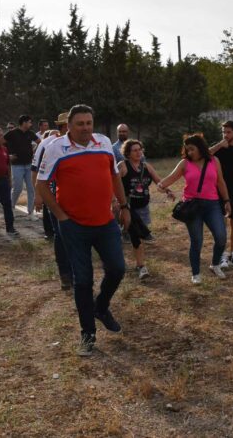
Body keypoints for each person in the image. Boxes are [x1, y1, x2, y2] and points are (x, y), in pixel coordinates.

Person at [36, 105, 131, 357]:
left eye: (89, 122)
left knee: (118, 268)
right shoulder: (55, 148)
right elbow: (41, 184)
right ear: (69, 125)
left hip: (105, 222)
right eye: (80, 124)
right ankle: (87, 335)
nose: (86, 128)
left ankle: (101, 307)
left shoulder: (102, 143)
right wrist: (61, 217)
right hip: (73, 226)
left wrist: (123, 206)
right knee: (83, 281)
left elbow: (114, 177)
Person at [158, 134, 233, 284]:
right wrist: (163, 187)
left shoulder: (214, 160)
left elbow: (220, 182)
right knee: (197, 241)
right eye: (187, 150)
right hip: (192, 206)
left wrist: (226, 200)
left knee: (221, 237)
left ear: (200, 147)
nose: (190, 152)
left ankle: (215, 264)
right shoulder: (184, 163)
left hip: (212, 205)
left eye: (192, 149)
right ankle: (196, 273)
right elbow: (169, 179)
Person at [32, 112, 73, 290]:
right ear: (64, 127)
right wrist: (38, 195)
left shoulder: (82, 144)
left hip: (78, 199)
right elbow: (35, 170)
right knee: (61, 234)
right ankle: (65, 274)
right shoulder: (47, 143)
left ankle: (77, 271)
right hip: (55, 197)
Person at [120, 139, 171, 279]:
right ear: (128, 153)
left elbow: (158, 182)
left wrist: (168, 191)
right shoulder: (123, 166)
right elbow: (113, 183)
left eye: (139, 149)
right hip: (127, 207)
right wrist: (116, 201)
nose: (138, 152)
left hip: (143, 207)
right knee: (137, 237)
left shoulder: (146, 166)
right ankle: (141, 266)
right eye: (134, 150)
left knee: (138, 238)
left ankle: (137, 262)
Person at [210, 120, 233, 269]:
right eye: (223, 132)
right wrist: (220, 145)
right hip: (220, 192)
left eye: (228, 132)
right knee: (222, 225)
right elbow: (204, 154)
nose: (225, 135)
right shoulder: (218, 149)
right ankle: (222, 256)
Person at [5, 115, 39, 217]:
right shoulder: (12, 133)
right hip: (16, 165)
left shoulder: (30, 133)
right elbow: (1, 143)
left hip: (29, 165)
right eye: (29, 122)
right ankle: (11, 207)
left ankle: (30, 212)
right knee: (18, 188)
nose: (31, 124)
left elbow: (40, 143)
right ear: (24, 123)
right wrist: (8, 155)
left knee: (31, 188)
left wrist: (33, 152)